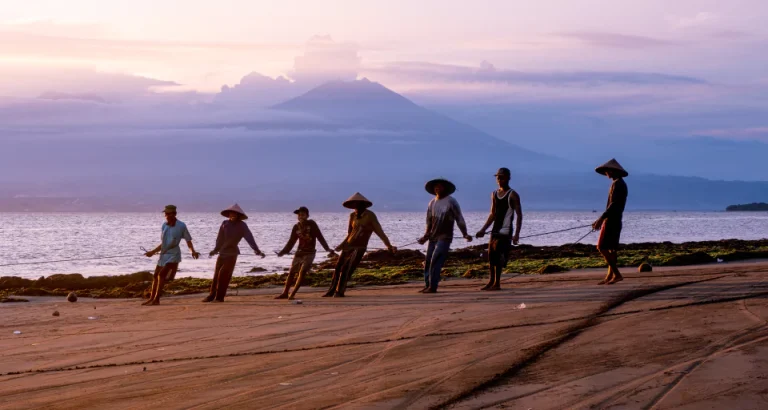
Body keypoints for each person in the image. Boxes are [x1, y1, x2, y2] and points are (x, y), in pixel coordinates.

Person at [325, 193, 396, 298]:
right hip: (348, 246)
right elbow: (349, 233)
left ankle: (339, 291)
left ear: (362, 205)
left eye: (357, 204)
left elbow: (380, 232)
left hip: (360, 247)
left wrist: (389, 245)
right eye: (353, 204)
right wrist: (341, 245)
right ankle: (331, 291)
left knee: (347, 268)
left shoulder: (370, 216)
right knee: (338, 267)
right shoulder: (352, 216)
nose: (355, 207)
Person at [417, 178, 472, 293]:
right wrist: (425, 236)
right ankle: (428, 284)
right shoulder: (431, 203)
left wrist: (465, 234)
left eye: (440, 186)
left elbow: (459, 219)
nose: (437, 188)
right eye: (436, 186)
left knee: (435, 260)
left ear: (445, 188)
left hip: (445, 237)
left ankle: (433, 287)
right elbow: (429, 222)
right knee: (428, 261)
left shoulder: (451, 201)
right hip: (432, 237)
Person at [204, 203, 265, 302]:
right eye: (231, 213)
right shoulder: (224, 223)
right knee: (216, 275)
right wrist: (215, 250)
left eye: (235, 214)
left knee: (223, 274)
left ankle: (220, 297)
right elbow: (219, 238)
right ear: (228, 214)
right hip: (222, 253)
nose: (232, 215)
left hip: (232, 254)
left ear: (238, 215)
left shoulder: (242, 225)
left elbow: (249, 238)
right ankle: (211, 295)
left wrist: (257, 250)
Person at [476, 168, 523, 291]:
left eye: (502, 177)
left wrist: (516, 234)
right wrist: (482, 230)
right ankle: (491, 282)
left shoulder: (512, 194)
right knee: (491, 256)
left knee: (499, 256)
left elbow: (519, 215)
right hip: (495, 230)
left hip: (506, 230)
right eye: (498, 178)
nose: (500, 180)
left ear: (508, 178)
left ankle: (497, 283)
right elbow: (492, 214)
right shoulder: (494, 194)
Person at [143, 205, 200, 305]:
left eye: (169, 214)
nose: (166, 215)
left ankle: (157, 299)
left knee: (162, 275)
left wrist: (192, 251)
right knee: (155, 276)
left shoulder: (181, 225)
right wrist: (152, 252)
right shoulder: (164, 225)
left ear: (174, 214)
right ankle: (151, 298)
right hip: (163, 255)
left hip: (174, 255)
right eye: (165, 214)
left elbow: (188, 240)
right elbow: (163, 243)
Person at [276, 206, 336, 299]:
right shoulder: (296, 227)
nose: (300, 217)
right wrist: (283, 252)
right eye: (299, 215)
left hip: (310, 253)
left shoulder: (312, 224)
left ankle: (293, 293)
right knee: (292, 272)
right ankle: (285, 293)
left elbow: (320, 237)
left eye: (303, 215)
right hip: (299, 253)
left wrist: (327, 249)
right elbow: (291, 241)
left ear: (307, 216)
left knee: (302, 272)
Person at [592, 159, 629, 285]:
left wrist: (601, 218)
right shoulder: (619, 183)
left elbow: (613, 205)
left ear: (613, 171)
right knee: (612, 249)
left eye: (607, 171)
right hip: (616, 219)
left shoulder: (618, 184)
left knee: (601, 247)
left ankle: (617, 274)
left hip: (612, 220)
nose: (606, 173)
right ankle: (610, 276)